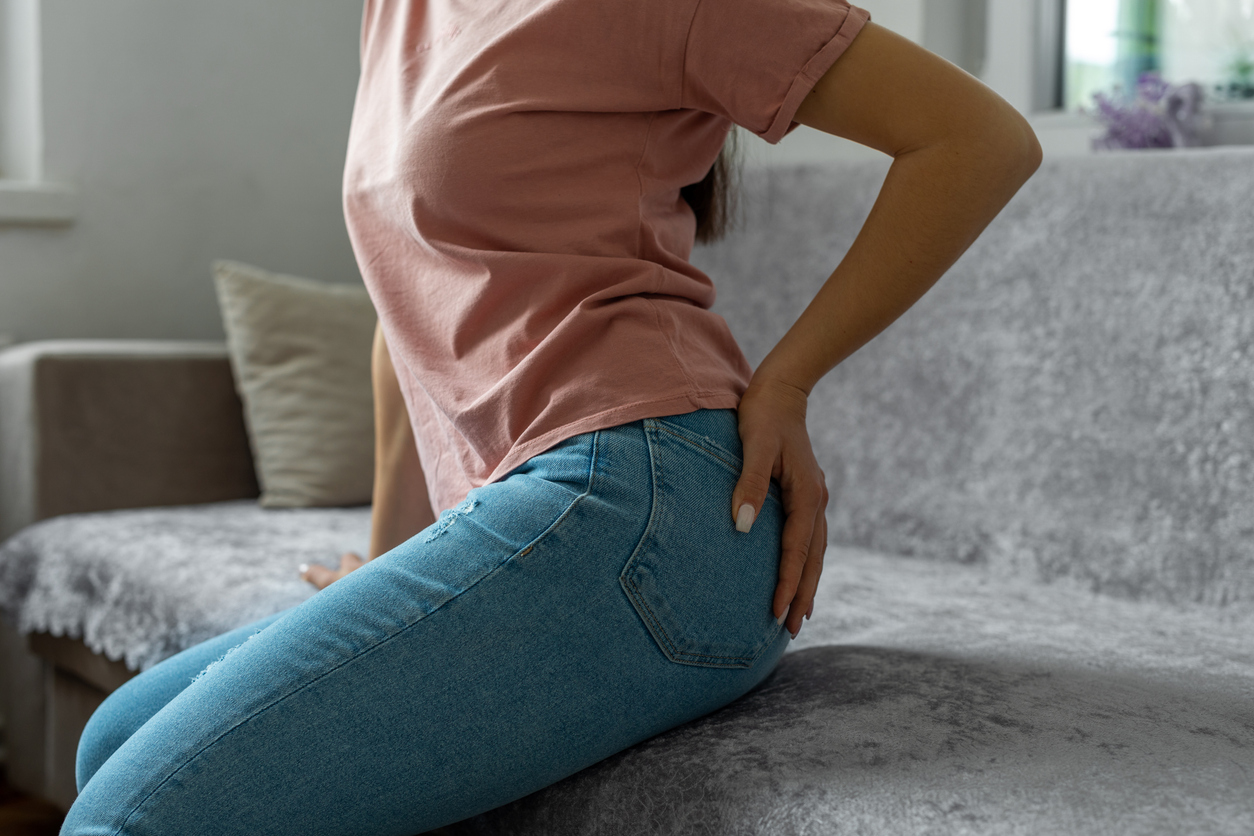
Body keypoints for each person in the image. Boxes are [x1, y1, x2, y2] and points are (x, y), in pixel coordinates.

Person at [62, 0, 1041, 832]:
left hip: (656, 504)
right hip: (539, 505)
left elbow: (979, 138)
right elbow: (403, 306)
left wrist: (787, 379)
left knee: (132, 817)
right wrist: (395, 557)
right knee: (112, 743)